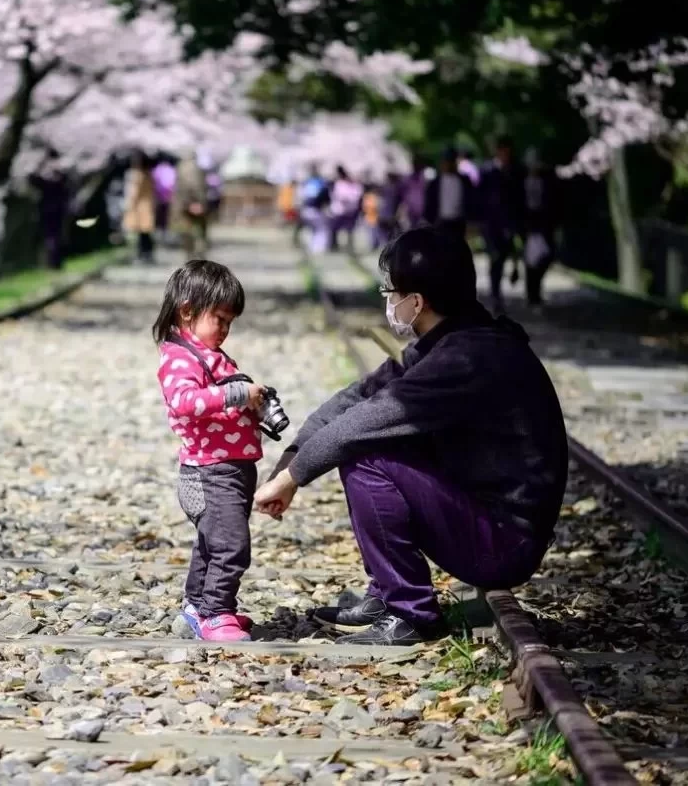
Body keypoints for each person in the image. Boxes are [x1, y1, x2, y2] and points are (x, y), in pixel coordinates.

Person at [253, 227, 568, 645]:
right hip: (489, 520)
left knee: (366, 455)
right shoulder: (451, 340)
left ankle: (411, 613)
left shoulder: (467, 358)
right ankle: (385, 593)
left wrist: (293, 479)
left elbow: (362, 424)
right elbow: (353, 399)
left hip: (504, 543)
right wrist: (287, 463)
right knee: (377, 436)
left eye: (391, 292)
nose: (387, 302)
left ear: (416, 302)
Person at [154, 260, 267, 642]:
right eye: (219, 319)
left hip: (229, 469)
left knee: (211, 542)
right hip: (209, 472)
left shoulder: (209, 355)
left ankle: (196, 605)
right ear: (187, 311)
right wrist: (237, 393)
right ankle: (217, 613)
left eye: (230, 322)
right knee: (231, 546)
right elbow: (185, 402)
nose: (225, 329)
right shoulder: (179, 357)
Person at [477, 136, 527, 314]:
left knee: (508, 255)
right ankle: (495, 294)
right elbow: (481, 197)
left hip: (510, 222)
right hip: (492, 224)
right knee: (496, 258)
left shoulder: (516, 171)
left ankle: (509, 279)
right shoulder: (487, 171)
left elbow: (520, 198)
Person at [521, 147, 560, 310]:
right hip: (528, 223)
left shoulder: (548, 181)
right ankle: (532, 294)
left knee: (545, 256)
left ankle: (536, 290)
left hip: (544, 223)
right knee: (530, 260)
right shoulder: (521, 181)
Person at [422, 146, 472, 242]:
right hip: (440, 223)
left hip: (459, 222)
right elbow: (429, 205)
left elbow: (471, 202)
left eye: (450, 161)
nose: (448, 164)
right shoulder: (434, 183)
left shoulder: (464, 180)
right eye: (445, 161)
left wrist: (471, 222)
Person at [172, 149, 211, 259]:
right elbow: (195, 187)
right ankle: (200, 257)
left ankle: (190, 256)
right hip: (195, 203)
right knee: (200, 232)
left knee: (186, 232)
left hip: (182, 204)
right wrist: (197, 202)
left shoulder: (180, 167)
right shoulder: (195, 168)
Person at [122, 151, 157, 264]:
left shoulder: (136, 175)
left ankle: (142, 255)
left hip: (138, 208)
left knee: (141, 234)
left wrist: (127, 205)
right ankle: (148, 254)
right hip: (147, 206)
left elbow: (133, 193)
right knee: (146, 233)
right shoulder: (149, 174)